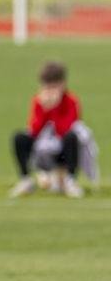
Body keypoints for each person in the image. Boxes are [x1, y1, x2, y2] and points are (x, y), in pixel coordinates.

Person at [9, 61, 89, 199]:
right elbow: (34, 129)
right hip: (42, 149)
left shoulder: (71, 101)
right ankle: (26, 180)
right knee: (19, 137)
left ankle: (71, 181)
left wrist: (55, 107)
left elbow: (65, 130)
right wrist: (44, 109)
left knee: (71, 137)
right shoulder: (38, 100)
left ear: (62, 84)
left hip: (61, 150)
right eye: (47, 87)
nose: (50, 91)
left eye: (54, 87)